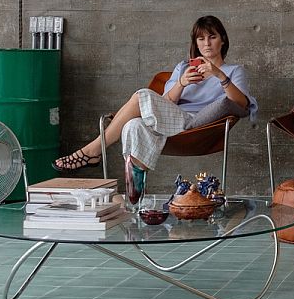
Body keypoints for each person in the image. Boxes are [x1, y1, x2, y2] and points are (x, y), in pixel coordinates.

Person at [54, 16, 254, 191]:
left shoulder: (234, 71)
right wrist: (182, 83)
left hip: (197, 126)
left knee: (142, 96)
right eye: (201, 38)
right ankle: (136, 198)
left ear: (223, 40)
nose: (207, 43)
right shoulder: (183, 67)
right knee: (134, 125)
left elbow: (242, 103)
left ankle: (93, 151)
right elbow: (165, 102)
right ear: (196, 43)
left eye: (212, 37)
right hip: (169, 119)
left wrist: (218, 75)